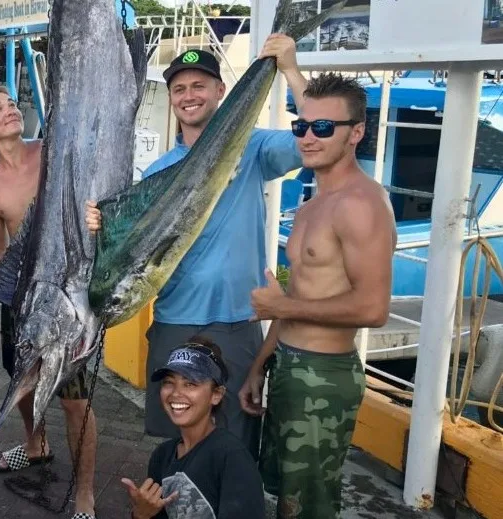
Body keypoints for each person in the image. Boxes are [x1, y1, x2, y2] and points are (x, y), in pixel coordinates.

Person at [85, 37, 307, 458]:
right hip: (175, 320)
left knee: (235, 443)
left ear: (220, 91)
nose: (190, 95)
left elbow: (313, 140)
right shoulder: (158, 171)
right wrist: (101, 224)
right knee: (176, 442)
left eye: (199, 85)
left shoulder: (255, 147)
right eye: (179, 88)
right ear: (170, 98)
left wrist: (291, 70)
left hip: (236, 321)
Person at [240, 72, 396, 519]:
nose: (308, 137)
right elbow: (298, 293)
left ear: (357, 133)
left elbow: (374, 308)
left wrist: (282, 306)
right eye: (301, 126)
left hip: (324, 378)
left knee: (308, 505)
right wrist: (260, 364)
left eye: (324, 128)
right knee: (284, 496)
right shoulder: (312, 204)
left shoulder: (361, 204)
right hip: (289, 367)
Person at [0, 85, 98, 519]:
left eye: (9, 104)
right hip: (22, 300)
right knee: (20, 379)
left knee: (75, 401)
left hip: (67, 295)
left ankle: (84, 494)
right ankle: (35, 444)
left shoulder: (52, 151)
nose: (8, 111)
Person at [122, 338, 265, 519]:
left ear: (216, 395)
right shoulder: (161, 456)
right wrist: (141, 514)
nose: (176, 393)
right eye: (168, 382)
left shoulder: (232, 459)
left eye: (190, 384)